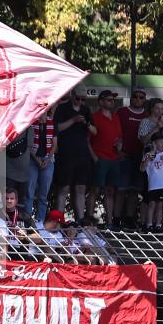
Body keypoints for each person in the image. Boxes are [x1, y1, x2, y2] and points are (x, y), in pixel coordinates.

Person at [54, 89, 96, 221]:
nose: (81, 102)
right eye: (78, 98)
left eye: (83, 99)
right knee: (63, 187)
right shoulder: (62, 108)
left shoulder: (86, 110)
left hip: (82, 154)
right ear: (72, 96)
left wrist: (86, 123)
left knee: (80, 188)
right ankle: (58, 220)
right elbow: (57, 128)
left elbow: (95, 131)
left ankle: (80, 220)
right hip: (66, 153)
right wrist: (73, 120)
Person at [88, 90, 123, 227]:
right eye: (109, 100)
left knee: (110, 191)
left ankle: (109, 222)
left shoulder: (115, 117)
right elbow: (88, 140)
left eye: (113, 100)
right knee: (94, 190)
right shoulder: (94, 117)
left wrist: (119, 144)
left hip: (114, 158)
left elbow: (120, 137)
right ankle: (89, 220)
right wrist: (94, 158)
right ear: (101, 101)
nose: (112, 102)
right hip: (100, 158)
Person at [116, 88, 147, 228]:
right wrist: (119, 150)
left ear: (145, 99)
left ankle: (129, 218)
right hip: (124, 155)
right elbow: (115, 131)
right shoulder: (121, 112)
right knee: (121, 188)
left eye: (141, 97)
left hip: (140, 157)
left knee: (135, 189)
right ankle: (116, 218)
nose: (138, 99)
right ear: (131, 97)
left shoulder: (147, 115)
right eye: (136, 96)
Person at [26, 106, 57, 223]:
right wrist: (37, 159)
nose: (42, 114)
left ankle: (40, 222)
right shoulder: (31, 124)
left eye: (44, 112)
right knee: (29, 192)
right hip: (34, 159)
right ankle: (28, 221)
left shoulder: (52, 123)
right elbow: (29, 145)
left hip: (48, 160)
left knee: (43, 195)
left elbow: (55, 145)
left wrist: (48, 159)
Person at [141, 134, 163, 231]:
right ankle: (149, 224)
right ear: (154, 143)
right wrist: (147, 159)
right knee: (151, 204)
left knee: (160, 205)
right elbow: (142, 169)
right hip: (153, 184)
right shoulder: (148, 155)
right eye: (160, 142)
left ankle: (159, 225)